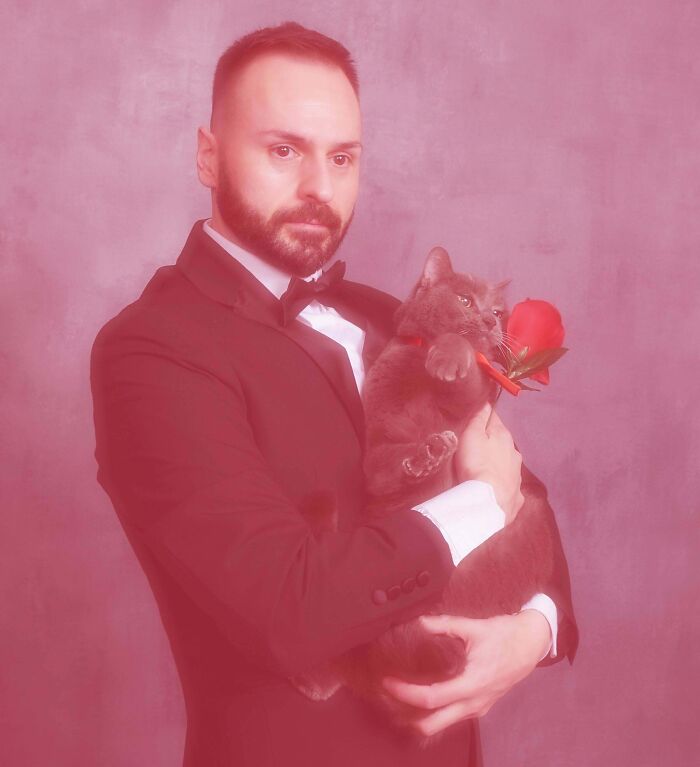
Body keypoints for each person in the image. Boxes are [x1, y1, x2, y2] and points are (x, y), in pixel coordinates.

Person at [90, 21, 578, 767]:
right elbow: (288, 609)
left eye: (342, 157)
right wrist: (482, 501)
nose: (320, 188)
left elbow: (524, 494)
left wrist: (533, 631)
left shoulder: (392, 314)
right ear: (208, 156)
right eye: (284, 150)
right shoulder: (149, 351)